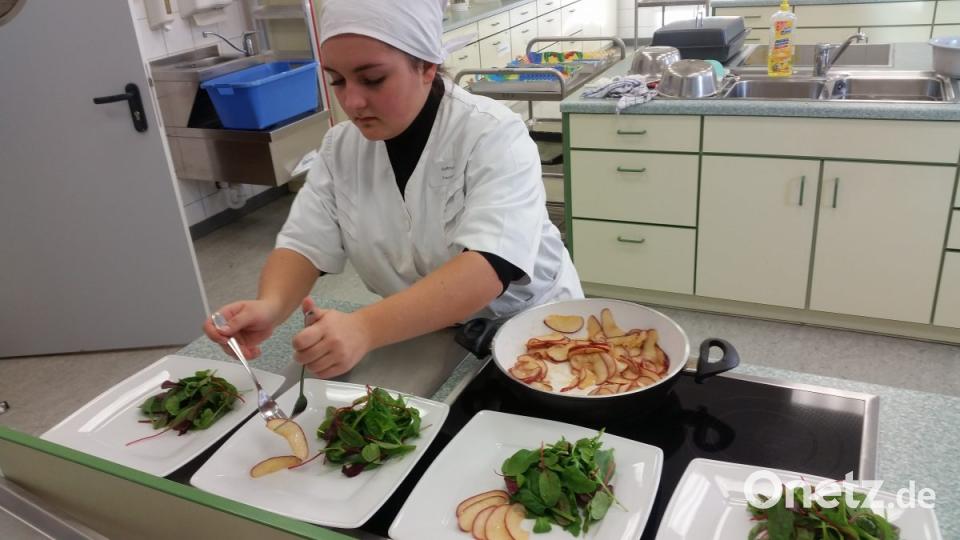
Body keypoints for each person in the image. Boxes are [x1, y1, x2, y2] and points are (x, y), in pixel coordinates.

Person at [203, 0, 582, 378]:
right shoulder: (342, 148)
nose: (352, 101)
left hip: (534, 334)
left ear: (426, 66)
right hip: (422, 333)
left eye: (372, 80)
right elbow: (304, 244)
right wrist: (269, 306)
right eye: (337, 80)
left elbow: (487, 268)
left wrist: (363, 328)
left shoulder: (493, 134)